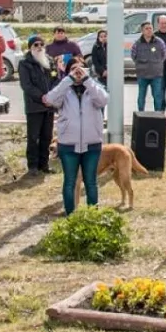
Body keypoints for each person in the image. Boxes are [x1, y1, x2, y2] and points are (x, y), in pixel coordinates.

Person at [43, 57, 109, 214]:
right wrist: (68, 80)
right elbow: (50, 99)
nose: (78, 72)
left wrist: (87, 80)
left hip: (92, 143)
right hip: (68, 143)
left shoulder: (93, 87)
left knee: (91, 182)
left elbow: (104, 99)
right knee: (70, 182)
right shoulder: (63, 89)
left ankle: (92, 216)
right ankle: (70, 216)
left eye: (81, 69)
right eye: (74, 69)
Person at [18, 35, 59, 175]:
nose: (39, 47)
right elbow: (26, 85)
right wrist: (41, 96)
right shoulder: (25, 63)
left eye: (41, 44)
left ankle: (44, 164)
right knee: (33, 137)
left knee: (47, 136)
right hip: (34, 106)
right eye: (36, 44)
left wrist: (51, 96)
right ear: (30, 47)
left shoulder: (49, 61)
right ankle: (33, 166)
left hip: (49, 105)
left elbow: (56, 78)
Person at [132, 21, 166, 113]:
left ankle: (158, 114)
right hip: (142, 75)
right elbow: (133, 56)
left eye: (150, 28)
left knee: (157, 96)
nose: (149, 30)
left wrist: (157, 64)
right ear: (142, 31)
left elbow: (165, 55)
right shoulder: (137, 43)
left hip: (156, 75)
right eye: (146, 29)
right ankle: (140, 113)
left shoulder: (159, 42)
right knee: (141, 96)